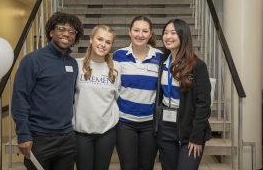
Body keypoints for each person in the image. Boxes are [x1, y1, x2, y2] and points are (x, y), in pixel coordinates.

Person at [11, 12, 84, 170]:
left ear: (75, 37)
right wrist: (23, 134)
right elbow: (20, 98)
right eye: (61, 29)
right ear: (51, 32)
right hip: (39, 138)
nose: (66, 34)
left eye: (72, 32)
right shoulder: (32, 60)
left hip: (66, 138)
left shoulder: (73, 64)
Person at [154, 19, 212, 170]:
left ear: (183, 36)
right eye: (165, 33)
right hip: (166, 127)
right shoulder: (162, 62)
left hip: (190, 129)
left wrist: (196, 136)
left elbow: (203, 104)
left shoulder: (197, 66)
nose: (168, 36)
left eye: (173, 33)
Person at [112, 15, 163, 170]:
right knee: (128, 166)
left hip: (150, 123)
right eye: (136, 30)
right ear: (129, 32)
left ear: (150, 34)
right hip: (125, 123)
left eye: (145, 31)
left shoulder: (160, 56)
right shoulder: (118, 55)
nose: (140, 35)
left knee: (146, 166)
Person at [73, 25, 121, 170]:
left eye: (108, 42)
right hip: (81, 133)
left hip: (106, 132)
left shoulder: (116, 68)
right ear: (91, 40)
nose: (103, 44)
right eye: (100, 39)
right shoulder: (77, 65)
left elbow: (116, 97)